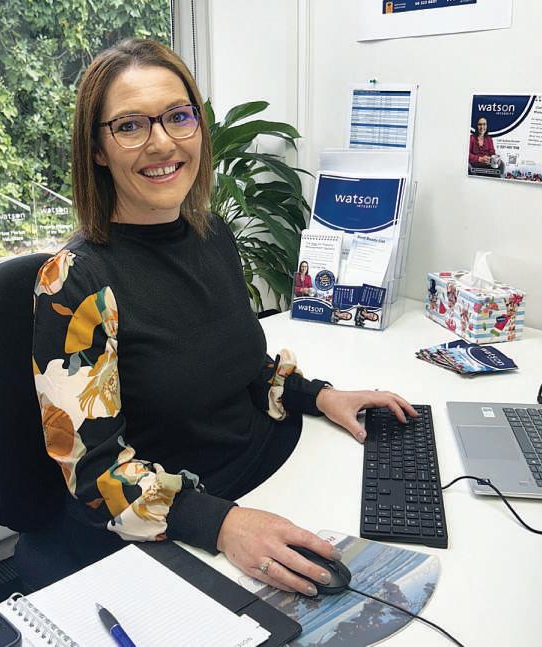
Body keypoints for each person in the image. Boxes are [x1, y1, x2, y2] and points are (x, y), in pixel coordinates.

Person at [31, 38, 417, 596]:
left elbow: (242, 367)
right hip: (191, 522)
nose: (162, 142)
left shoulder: (212, 236)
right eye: (130, 126)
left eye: (177, 116)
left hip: (275, 477)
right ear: (97, 150)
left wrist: (319, 396)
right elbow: (94, 473)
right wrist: (224, 524)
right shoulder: (74, 281)